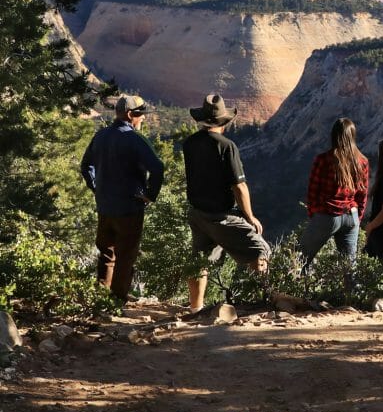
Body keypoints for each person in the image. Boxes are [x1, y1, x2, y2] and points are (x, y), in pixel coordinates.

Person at [182, 93, 270, 314]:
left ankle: (195, 308)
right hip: (220, 215)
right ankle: (263, 301)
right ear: (223, 122)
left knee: (201, 260)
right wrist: (249, 216)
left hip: (197, 212)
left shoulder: (189, 143)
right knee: (259, 249)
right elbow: (239, 186)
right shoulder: (226, 146)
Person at [80, 94, 165, 302]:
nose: (143, 119)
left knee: (106, 253)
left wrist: (96, 187)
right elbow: (158, 168)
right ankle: (117, 301)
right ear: (130, 115)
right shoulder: (135, 139)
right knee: (125, 256)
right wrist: (150, 196)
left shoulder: (100, 136)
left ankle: (100, 298)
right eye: (140, 115)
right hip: (129, 208)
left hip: (105, 207)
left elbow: (86, 165)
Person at [301, 117, 369, 266]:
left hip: (328, 214)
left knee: (301, 258)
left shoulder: (323, 160)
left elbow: (313, 191)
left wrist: (314, 214)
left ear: (334, 136)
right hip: (351, 215)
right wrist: (358, 217)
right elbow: (362, 194)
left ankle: (296, 288)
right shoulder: (362, 161)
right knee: (349, 266)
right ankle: (352, 289)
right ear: (353, 136)